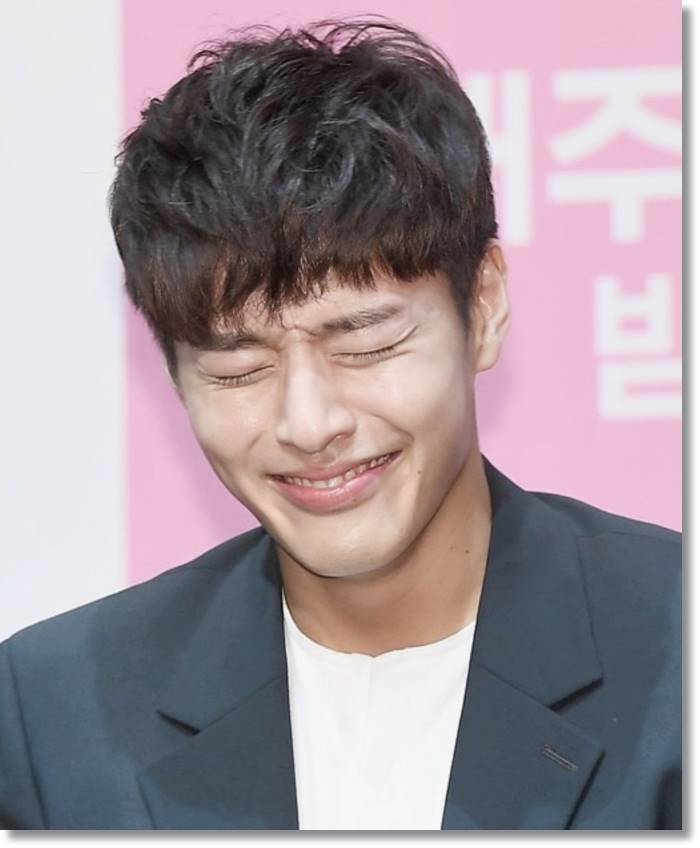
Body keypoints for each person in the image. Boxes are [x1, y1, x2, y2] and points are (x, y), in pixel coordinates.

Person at [0, 19, 681, 830]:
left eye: (366, 344)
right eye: (237, 368)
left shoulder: (678, 645)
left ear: (485, 305)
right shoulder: (54, 714)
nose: (308, 422)